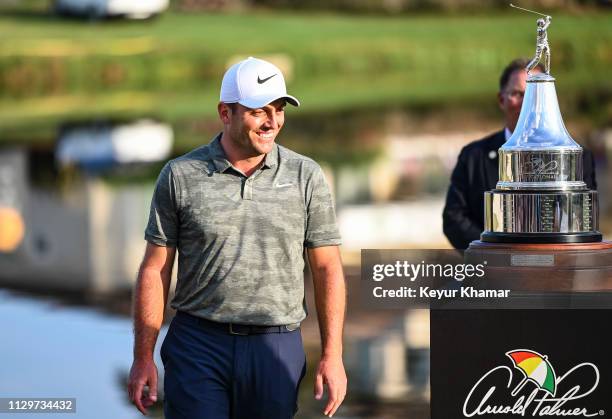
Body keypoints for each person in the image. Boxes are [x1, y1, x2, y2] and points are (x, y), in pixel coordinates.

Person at [127, 57, 347, 419]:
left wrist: (332, 355)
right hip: (198, 344)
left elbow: (327, 269)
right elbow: (155, 269)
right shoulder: (180, 175)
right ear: (225, 113)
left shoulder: (306, 175)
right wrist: (142, 357)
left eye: (278, 110)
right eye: (259, 111)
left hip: (275, 345)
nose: (272, 121)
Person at [442, 58, 597, 249]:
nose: (527, 104)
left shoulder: (579, 157)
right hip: (493, 272)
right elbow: (454, 218)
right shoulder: (473, 156)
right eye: (518, 93)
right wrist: (493, 253)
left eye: (534, 95)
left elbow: (583, 219)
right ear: (501, 99)